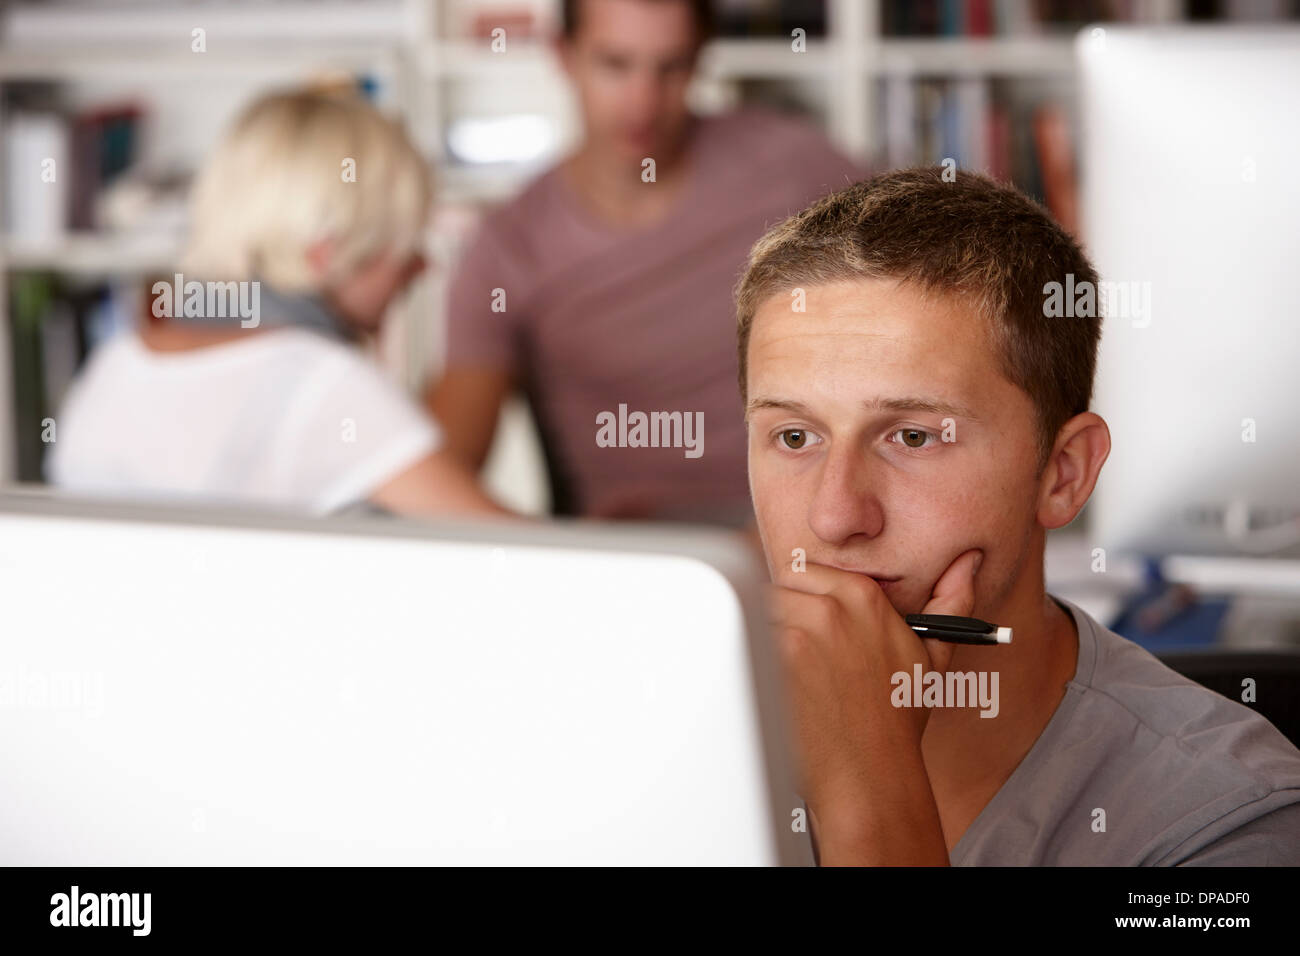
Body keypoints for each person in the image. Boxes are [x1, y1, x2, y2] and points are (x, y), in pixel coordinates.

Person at [736, 167, 1300, 865]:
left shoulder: (1230, 823)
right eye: (795, 437)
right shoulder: (658, 741)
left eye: (913, 436)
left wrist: (869, 786)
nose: (835, 517)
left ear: (1063, 474)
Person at [427, 0, 862, 523]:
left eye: (670, 66)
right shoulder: (507, 247)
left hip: (822, 512)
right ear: (562, 55)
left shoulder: (795, 167)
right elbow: (444, 465)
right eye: (615, 64)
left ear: (701, 58)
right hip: (646, 548)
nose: (643, 102)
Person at [48, 89, 508, 519]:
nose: (421, 266)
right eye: (402, 242)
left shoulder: (113, 366)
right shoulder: (323, 382)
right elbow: (528, 558)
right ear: (326, 251)